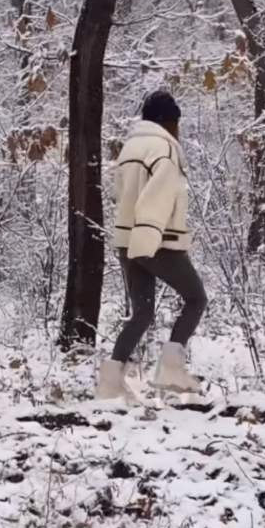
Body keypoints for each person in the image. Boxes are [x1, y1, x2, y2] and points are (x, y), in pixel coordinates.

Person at [96, 90, 207, 400]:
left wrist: (135, 242)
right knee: (196, 298)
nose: (178, 130)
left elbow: (122, 195)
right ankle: (170, 371)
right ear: (168, 122)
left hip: (126, 239)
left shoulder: (130, 147)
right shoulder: (166, 150)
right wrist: (148, 241)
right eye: (176, 123)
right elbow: (156, 199)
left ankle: (110, 382)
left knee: (143, 312)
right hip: (157, 241)